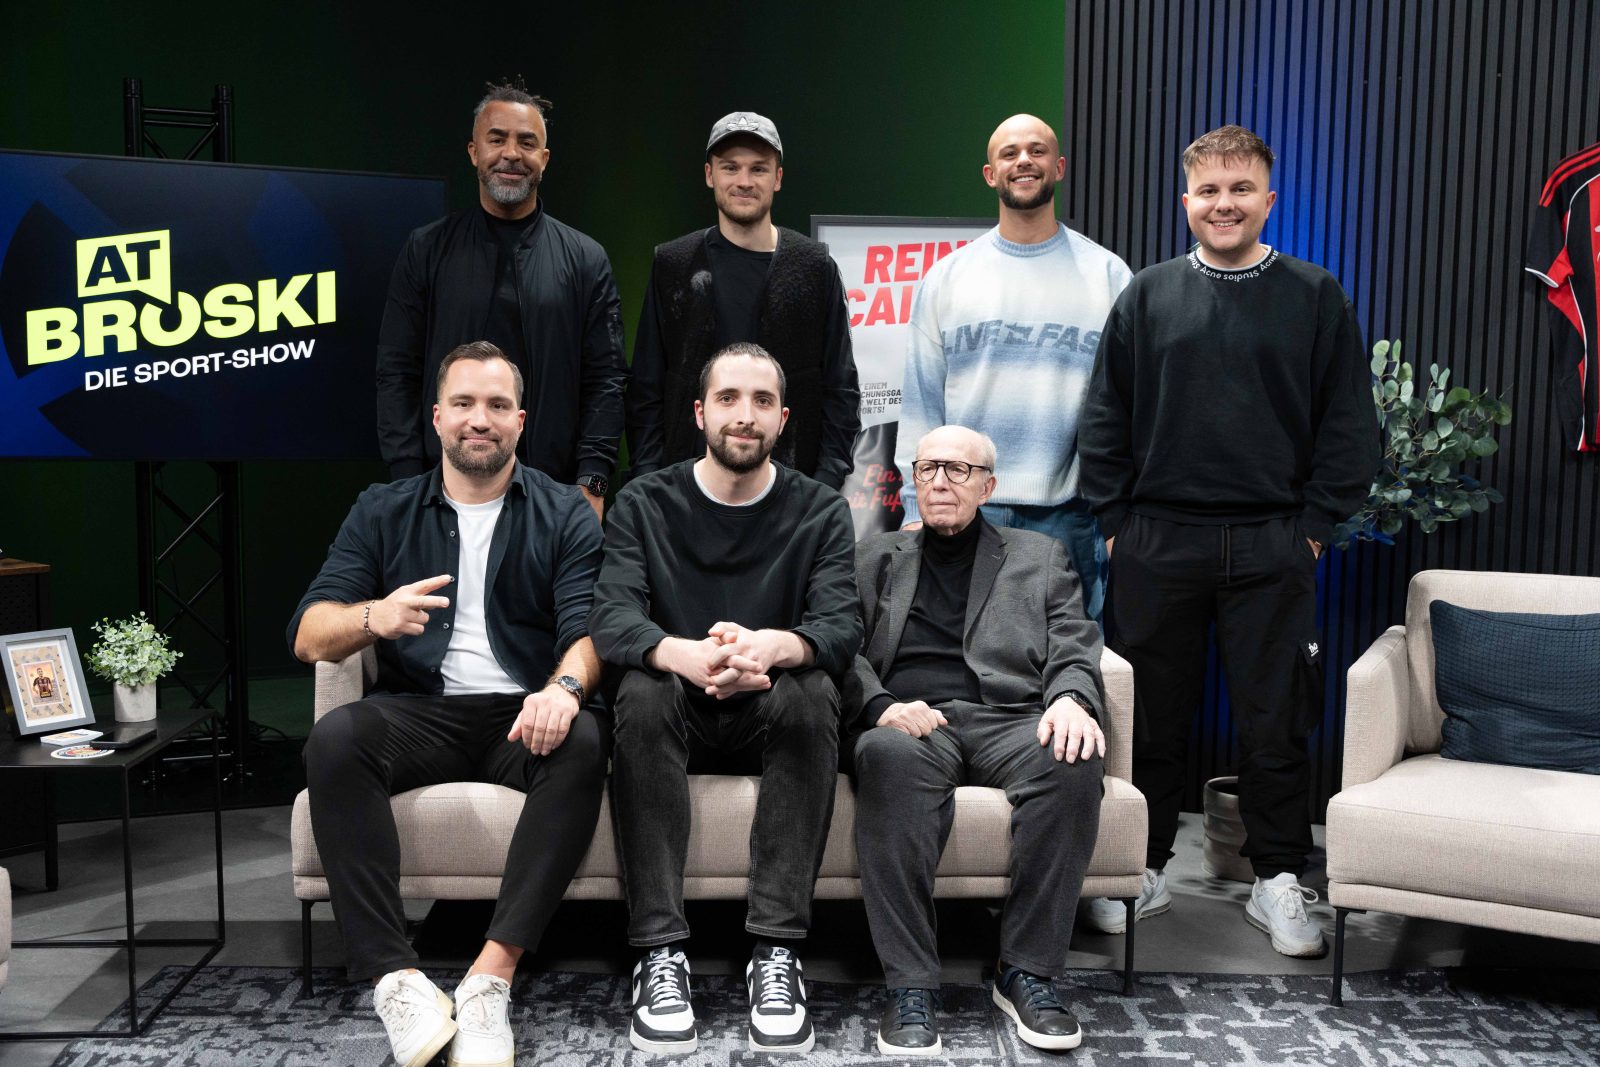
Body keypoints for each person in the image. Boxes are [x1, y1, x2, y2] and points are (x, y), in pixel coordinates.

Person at [1078, 125, 1380, 957]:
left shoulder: (1314, 295)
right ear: (1186, 202)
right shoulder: (1147, 295)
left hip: (1272, 542)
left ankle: (1277, 877)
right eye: (1208, 190)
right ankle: (1138, 868)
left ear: (1269, 199)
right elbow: (1103, 417)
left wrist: (1313, 530)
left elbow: (1350, 425)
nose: (1224, 204)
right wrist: (1116, 526)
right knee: (1149, 718)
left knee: (1277, 721)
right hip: (1156, 540)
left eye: (1241, 188)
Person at [291, 341, 608, 1067]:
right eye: (463, 403)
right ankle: (397, 980)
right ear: (436, 418)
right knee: (334, 739)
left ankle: (490, 977)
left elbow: (591, 628)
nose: (479, 419)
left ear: (520, 420)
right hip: (419, 711)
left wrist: (563, 690)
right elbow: (309, 634)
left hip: (520, 712)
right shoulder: (384, 508)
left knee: (586, 741)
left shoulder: (564, 510)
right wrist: (374, 616)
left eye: (497, 405)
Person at [590, 343, 861, 1055]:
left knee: (814, 692)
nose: (745, 415)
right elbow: (612, 616)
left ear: (783, 419)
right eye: (729, 398)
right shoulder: (644, 500)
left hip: (770, 703)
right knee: (642, 690)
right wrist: (683, 654)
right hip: (674, 705)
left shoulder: (821, 509)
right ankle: (659, 953)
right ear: (699, 412)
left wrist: (771, 647)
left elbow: (840, 625)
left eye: (763, 401)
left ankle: (777, 953)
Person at [847, 425, 1104, 1055]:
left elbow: (1074, 641)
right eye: (928, 468)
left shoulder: (1039, 557)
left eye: (958, 470)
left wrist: (1071, 697)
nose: (940, 481)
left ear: (988, 486)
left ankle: (1026, 972)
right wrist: (881, 706)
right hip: (912, 716)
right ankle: (911, 984)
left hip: (1009, 718)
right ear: (913, 479)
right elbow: (838, 644)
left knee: (1071, 759)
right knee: (884, 756)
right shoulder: (874, 557)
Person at [895, 114, 1131, 622]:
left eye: (1037, 150)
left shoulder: (1109, 277)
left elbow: (1128, 414)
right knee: (958, 653)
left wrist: (1117, 519)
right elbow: (921, 404)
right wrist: (917, 509)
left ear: (1059, 167)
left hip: (1071, 517)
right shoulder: (946, 279)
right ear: (990, 174)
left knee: (1068, 658)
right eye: (1010, 153)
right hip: (965, 508)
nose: (1024, 161)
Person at [376, 80, 629, 520]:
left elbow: (606, 379)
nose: (511, 153)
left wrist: (594, 480)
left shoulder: (586, 259)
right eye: (497, 139)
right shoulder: (426, 249)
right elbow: (396, 370)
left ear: (544, 159)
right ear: (474, 152)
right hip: (441, 491)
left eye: (526, 142)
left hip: (555, 496)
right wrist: (407, 479)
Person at [626, 112, 860, 490]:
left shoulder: (815, 266)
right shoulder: (674, 264)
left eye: (758, 169)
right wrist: (649, 480)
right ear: (710, 174)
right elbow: (646, 387)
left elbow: (841, 388)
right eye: (730, 167)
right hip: (687, 489)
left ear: (777, 178)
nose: (744, 181)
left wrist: (825, 483)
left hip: (792, 490)